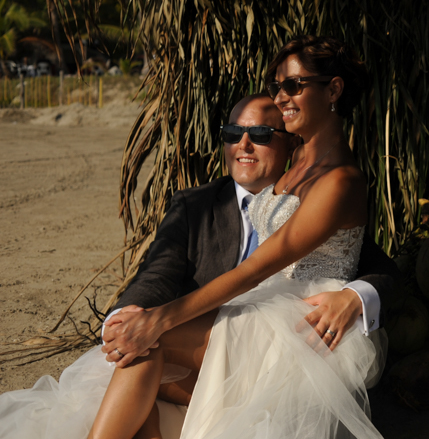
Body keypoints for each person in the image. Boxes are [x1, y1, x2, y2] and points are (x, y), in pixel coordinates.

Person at [0, 36, 391, 439]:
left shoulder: (340, 180)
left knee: (153, 343)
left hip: (298, 327)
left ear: (334, 89)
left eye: (293, 85)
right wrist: (135, 314)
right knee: (135, 372)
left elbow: (259, 268)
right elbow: (159, 272)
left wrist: (358, 294)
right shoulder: (291, 165)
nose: (281, 97)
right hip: (262, 310)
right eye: (276, 86)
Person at [101, 92, 399, 417]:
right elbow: (155, 276)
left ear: (290, 143)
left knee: (137, 376)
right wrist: (119, 323)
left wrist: (354, 297)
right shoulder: (194, 206)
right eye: (232, 133)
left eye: (259, 134)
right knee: (127, 372)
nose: (243, 145)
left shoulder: (318, 202)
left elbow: (381, 270)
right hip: (202, 355)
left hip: (285, 364)